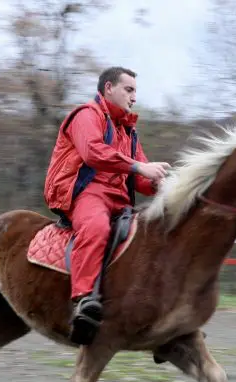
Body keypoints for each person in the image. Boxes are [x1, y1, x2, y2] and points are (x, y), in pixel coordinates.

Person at [43, 66, 171, 344]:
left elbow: (141, 178)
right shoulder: (86, 115)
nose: (134, 97)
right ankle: (83, 300)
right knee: (97, 227)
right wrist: (139, 167)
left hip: (119, 200)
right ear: (108, 88)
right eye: (129, 89)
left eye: (136, 91)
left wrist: (161, 184)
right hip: (86, 194)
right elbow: (93, 152)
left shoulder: (128, 130)